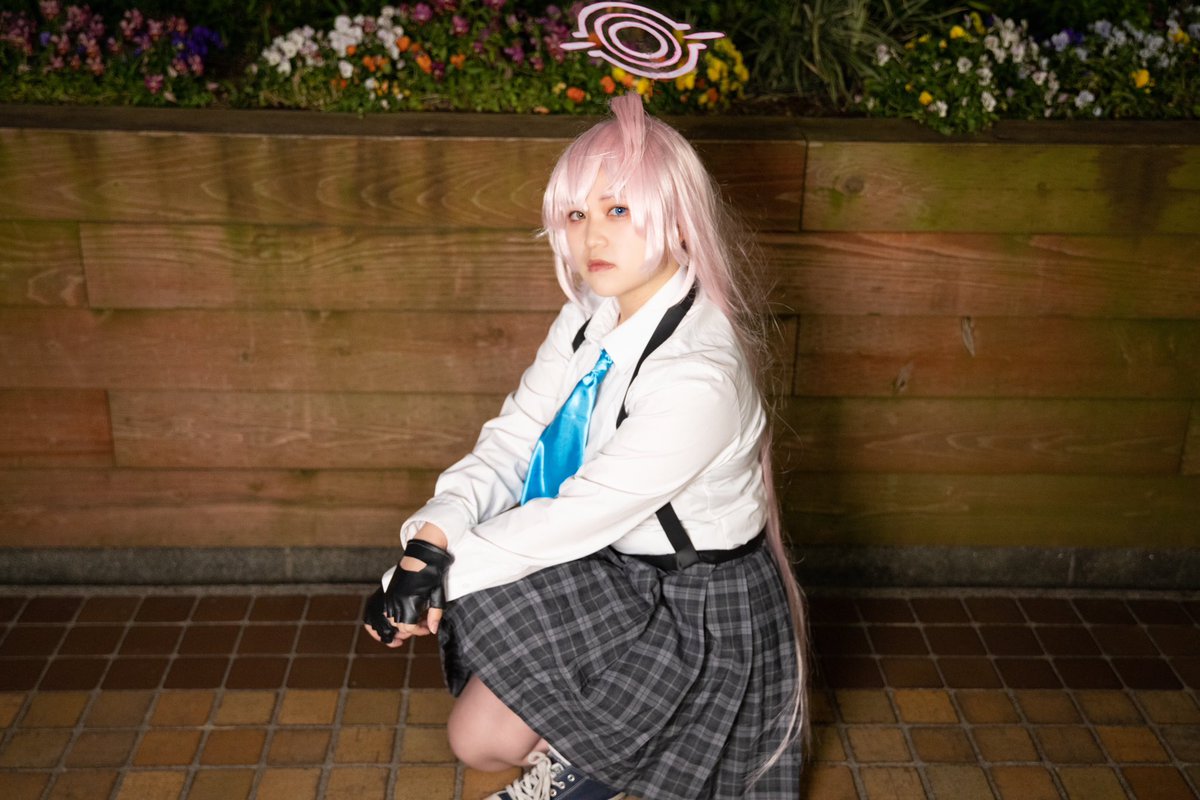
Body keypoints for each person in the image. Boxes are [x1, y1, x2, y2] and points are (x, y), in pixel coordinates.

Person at [363, 92, 808, 800]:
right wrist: (429, 541)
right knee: (475, 741)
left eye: (618, 209)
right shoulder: (588, 316)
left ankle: (615, 754)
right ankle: (601, 746)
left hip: (696, 611)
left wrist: (426, 579)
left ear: (678, 220)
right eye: (576, 215)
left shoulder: (697, 376)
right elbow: (514, 440)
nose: (592, 236)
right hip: (618, 567)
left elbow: (569, 519)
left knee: (486, 597)